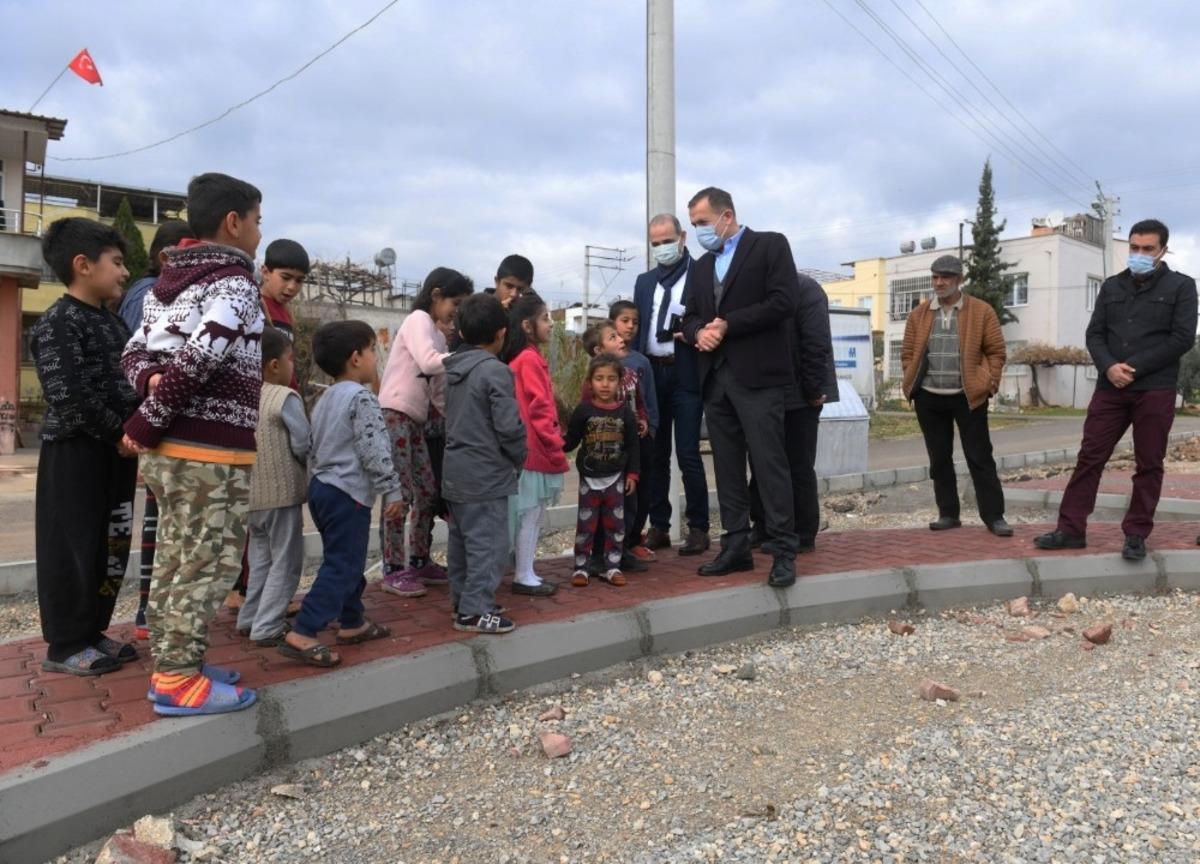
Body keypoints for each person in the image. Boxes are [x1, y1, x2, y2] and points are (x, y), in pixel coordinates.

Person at [120, 172, 264, 716]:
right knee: (207, 564)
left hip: (173, 455)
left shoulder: (165, 286)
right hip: (208, 452)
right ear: (233, 222)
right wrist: (145, 422)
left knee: (177, 563)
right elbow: (205, 355)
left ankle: (176, 664)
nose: (257, 232)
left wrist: (150, 386)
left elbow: (133, 352)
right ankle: (177, 679)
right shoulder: (233, 281)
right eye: (256, 220)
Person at [1036, 220, 1198, 560]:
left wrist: (1133, 368)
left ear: (1163, 250)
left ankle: (1137, 534)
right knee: (1089, 457)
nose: (1138, 254)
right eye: (1134, 248)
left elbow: (1181, 338)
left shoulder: (1182, 287)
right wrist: (1109, 366)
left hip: (1154, 389)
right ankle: (1070, 529)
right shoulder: (1111, 287)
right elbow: (1095, 334)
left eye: (1147, 249)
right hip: (1111, 388)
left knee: (1149, 463)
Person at [31, 218, 140, 676]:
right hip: (76, 454)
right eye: (116, 262)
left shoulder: (113, 324)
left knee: (110, 545)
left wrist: (139, 431)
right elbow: (72, 399)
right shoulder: (57, 323)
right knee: (71, 547)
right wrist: (121, 434)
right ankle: (65, 643)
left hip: (117, 453)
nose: (124, 272)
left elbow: (129, 386)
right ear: (82, 265)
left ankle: (93, 631)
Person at [680, 187, 799, 588]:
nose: (698, 231)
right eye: (694, 224)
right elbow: (690, 315)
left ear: (725, 216)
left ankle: (784, 549)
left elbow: (784, 302)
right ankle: (735, 546)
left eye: (701, 222)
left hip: (759, 377)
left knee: (769, 465)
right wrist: (700, 334)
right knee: (727, 466)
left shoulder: (769, 247)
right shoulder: (699, 267)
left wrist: (729, 324)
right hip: (715, 378)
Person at [280, 321, 401, 667]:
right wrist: (391, 489)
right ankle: (304, 630)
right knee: (343, 564)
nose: (376, 359)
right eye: (372, 352)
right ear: (355, 358)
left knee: (344, 557)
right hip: (347, 493)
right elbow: (374, 448)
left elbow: (309, 444)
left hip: (323, 489)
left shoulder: (324, 397)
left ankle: (352, 622)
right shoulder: (362, 398)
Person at [115, 218, 195, 641]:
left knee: (166, 522)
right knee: (161, 524)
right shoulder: (150, 295)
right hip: (156, 423)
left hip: (157, 422)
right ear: (169, 257)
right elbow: (145, 361)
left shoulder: (160, 292)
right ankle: (150, 612)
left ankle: (155, 613)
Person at [377, 267, 474, 597]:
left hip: (416, 420)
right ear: (436, 295)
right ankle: (392, 568)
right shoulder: (418, 319)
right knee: (399, 495)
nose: (456, 312)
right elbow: (430, 363)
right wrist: (466, 359)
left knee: (428, 491)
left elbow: (437, 390)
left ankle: (419, 558)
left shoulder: (437, 334)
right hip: (396, 413)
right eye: (455, 303)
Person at [901, 254, 1010, 536]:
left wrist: (988, 380)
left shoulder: (982, 311)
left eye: (945, 277)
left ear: (959, 280)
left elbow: (996, 352)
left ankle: (994, 516)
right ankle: (948, 513)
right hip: (929, 397)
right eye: (935, 277)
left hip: (968, 396)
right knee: (939, 458)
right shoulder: (918, 314)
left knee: (980, 456)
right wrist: (911, 380)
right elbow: (908, 354)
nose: (939, 283)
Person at [442, 294, 527, 634]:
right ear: (501, 333)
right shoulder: (496, 372)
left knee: (461, 543)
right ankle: (476, 611)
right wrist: (519, 455)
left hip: (455, 471)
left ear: (461, 333)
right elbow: (508, 426)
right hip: (486, 474)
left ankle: (462, 601)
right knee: (489, 546)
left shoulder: (454, 370)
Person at [633, 214, 710, 557]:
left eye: (667, 241)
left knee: (689, 453)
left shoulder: (701, 274)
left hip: (686, 372)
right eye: (655, 243)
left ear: (682, 238)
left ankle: (698, 528)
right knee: (655, 454)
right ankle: (659, 526)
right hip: (651, 374)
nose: (662, 248)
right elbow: (637, 328)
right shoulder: (644, 282)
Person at [748, 273, 839, 552]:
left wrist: (812, 390)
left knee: (797, 465)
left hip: (801, 395)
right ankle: (763, 526)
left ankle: (803, 532)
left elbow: (816, 342)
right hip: (764, 392)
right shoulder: (756, 288)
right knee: (763, 464)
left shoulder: (806, 289)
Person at [237, 327, 310, 647]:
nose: (293, 366)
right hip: (281, 493)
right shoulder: (284, 396)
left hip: (251, 496)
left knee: (261, 559)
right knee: (287, 561)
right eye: (291, 359)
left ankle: (250, 616)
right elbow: (303, 442)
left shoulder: (240, 396)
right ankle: (267, 625)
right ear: (273, 365)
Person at [503, 292, 568, 597]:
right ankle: (524, 574)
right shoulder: (529, 359)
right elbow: (540, 406)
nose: (551, 324)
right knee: (531, 513)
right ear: (528, 325)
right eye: (545, 318)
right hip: (534, 449)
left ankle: (525, 571)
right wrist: (554, 442)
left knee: (528, 513)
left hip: (525, 448)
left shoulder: (519, 358)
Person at [564, 354, 640, 587]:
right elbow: (571, 441)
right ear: (590, 382)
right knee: (586, 526)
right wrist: (552, 445)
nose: (605, 384)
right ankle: (581, 568)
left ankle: (613, 567)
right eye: (599, 378)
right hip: (589, 479)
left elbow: (633, 446)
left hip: (616, 479)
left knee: (616, 526)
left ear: (620, 382)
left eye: (610, 379)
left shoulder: (625, 413)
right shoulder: (583, 411)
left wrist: (633, 474)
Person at [581, 320, 650, 574]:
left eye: (618, 335)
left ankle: (622, 551)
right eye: (613, 337)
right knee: (602, 505)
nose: (621, 338)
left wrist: (642, 419)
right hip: (603, 455)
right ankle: (598, 555)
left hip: (629, 451)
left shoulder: (630, 375)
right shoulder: (592, 383)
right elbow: (585, 414)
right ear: (599, 350)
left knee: (628, 502)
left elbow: (639, 402)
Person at [609, 300, 660, 562]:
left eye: (635, 322)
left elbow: (649, 400)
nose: (630, 326)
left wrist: (650, 428)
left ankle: (634, 539)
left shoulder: (641, 362)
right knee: (616, 492)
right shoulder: (602, 363)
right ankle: (613, 543)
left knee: (642, 488)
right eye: (624, 321)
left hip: (640, 439)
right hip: (612, 440)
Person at [258, 237, 310, 342]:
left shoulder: (289, 315)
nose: (292, 287)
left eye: (299, 280)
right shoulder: (253, 306)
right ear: (265, 272)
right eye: (285, 278)